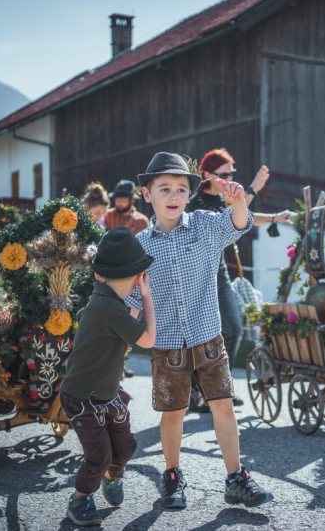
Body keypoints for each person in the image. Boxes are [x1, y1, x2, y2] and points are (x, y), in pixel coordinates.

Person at [126, 152, 273, 509]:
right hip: (167, 344)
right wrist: (122, 344)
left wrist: (238, 201)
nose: (173, 196)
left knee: (223, 406)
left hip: (207, 337)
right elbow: (132, 299)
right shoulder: (139, 247)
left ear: (190, 194)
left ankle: (235, 478)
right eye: (164, 189)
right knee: (174, 412)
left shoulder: (205, 225)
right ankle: (172, 475)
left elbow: (238, 225)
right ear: (147, 194)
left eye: (181, 189)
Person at [59, 227, 156, 526]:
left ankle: (113, 477)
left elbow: (124, 323)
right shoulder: (109, 308)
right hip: (83, 398)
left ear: (98, 275)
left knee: (125, 448)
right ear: (138, 276)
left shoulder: (104, 302)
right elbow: (148, 339)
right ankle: (79, 499)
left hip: (106, 393)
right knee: (98, 458)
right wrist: (147, 296)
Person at [186, 148, 292, 412]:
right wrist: (252, 189)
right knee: (200, 334)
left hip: (219, 273)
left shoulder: (223, 199)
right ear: (206, 175)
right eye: (223, 175)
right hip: (196, 275)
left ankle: (218, 386)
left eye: (231, 173)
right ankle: (199, 389)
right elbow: (230, 219)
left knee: (234, 328)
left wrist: (273, 218)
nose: (229, 179)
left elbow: (242, 216)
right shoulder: (196, 204)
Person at [81, 181, 136, 378]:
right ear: (86, 208)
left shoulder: (105, 223)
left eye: (102, 213)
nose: (100, 216)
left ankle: (117, 363)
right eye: (97, 213)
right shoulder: (83, 227)